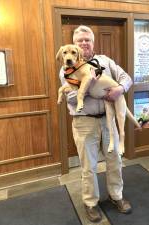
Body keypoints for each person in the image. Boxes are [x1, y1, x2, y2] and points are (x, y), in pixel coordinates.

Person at [59, 25, 133, 223]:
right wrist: (89, 83)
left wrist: (120, 89)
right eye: (79, 40)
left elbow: (127, 78)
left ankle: (116, 195)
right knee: (88, 166)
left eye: (87, 40)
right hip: (84, 123)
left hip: (108, 121)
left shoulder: (106, 61)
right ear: (74, 44)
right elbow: (72, 99)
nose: (83, 43)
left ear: (92, 42)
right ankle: (90, 202)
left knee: (115, 160)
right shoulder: (67, 69)